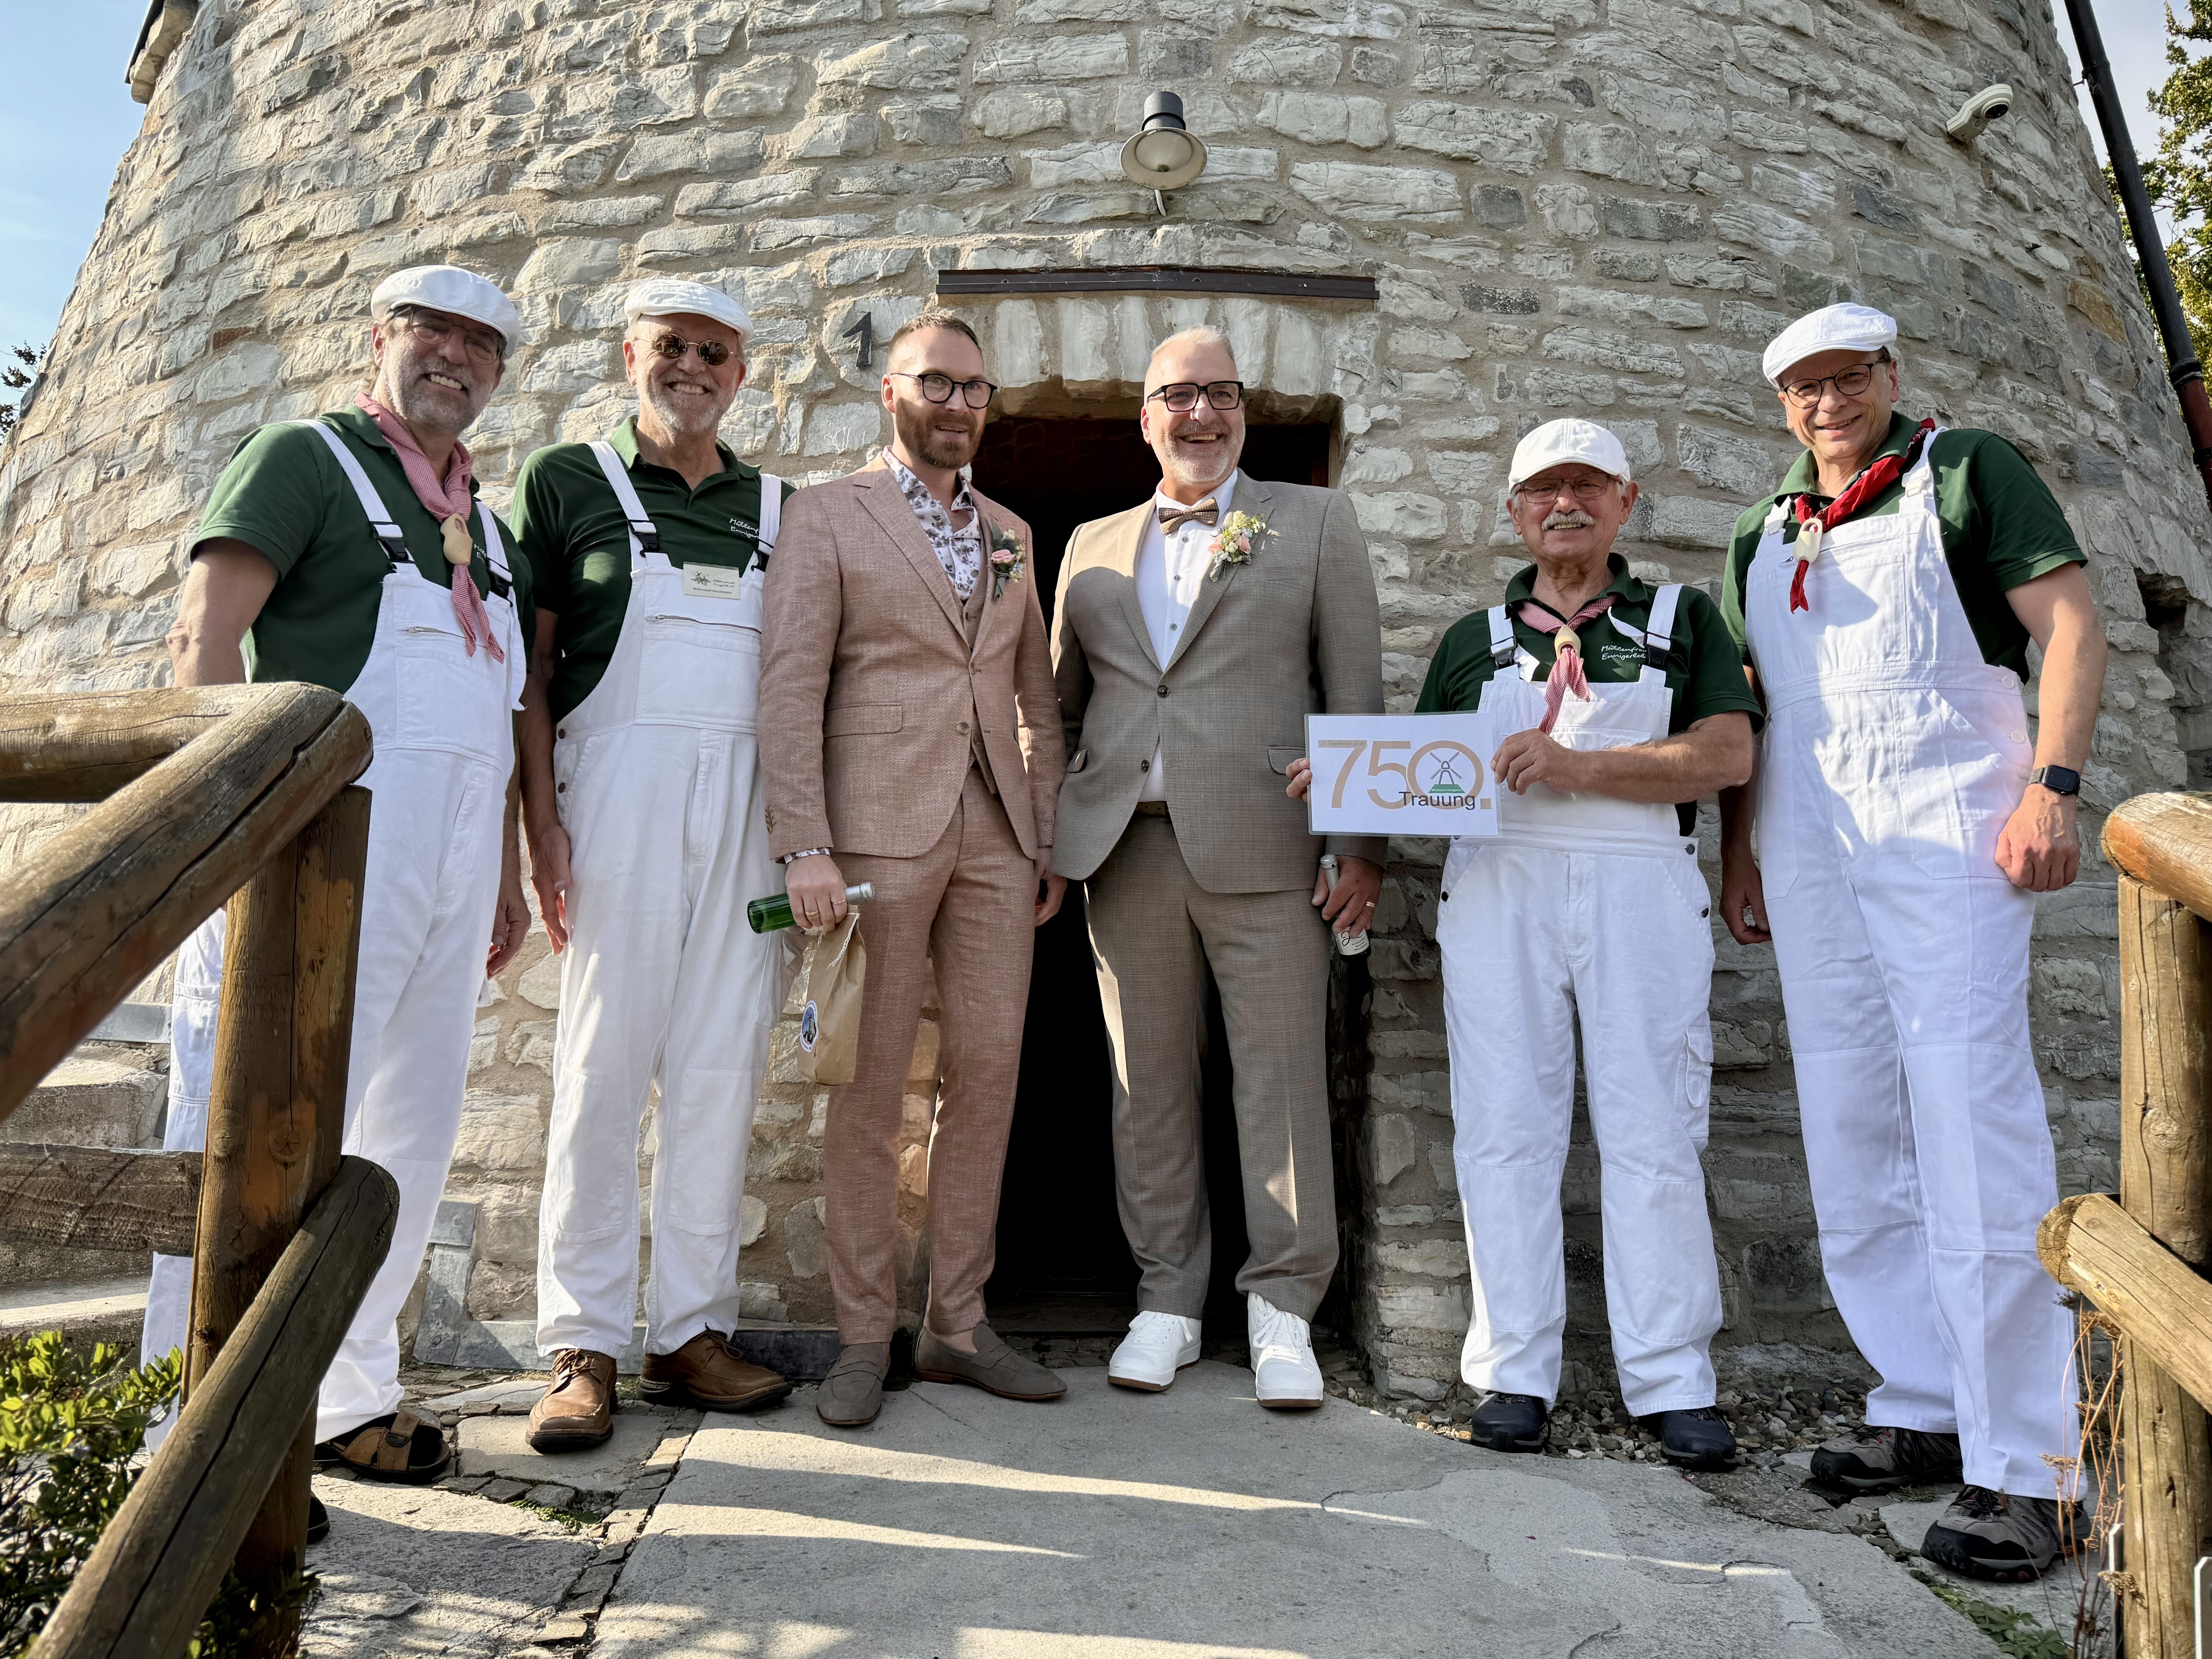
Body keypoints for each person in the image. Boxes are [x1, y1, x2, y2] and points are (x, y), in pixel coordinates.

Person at [1717, 303, 2107, 1580]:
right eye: (1805, 386)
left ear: (1890, 374)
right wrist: (1744, 855)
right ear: (1782, 403)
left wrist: (2054, 782)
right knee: (1851, 1122)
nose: (1828, 403)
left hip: (1949, 820)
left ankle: (2033, 1464)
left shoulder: (1968, 468)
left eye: (1849, 377)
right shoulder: (1763, 531)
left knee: (1972, 1113)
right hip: (1813, 840)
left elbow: (2068, 625)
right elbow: (1759, 714)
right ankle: (1925, 1395)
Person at [1293, 418, 1758, 1463]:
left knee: (1653, 1129)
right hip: (1499, 888)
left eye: (1588, 486)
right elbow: (1434, 778)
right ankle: (1514, 1370)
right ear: (1513, 511)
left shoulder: (1683, 619)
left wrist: (1581, 766)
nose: (1565, 504)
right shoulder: (1472, 642)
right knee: (1505, 1129)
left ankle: (1674, 1377)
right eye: (1543, 489)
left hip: (1642, 883)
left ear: (1625, 503)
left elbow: (1727, 754)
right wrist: (1348, 783)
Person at [148, 266, 534, 1517]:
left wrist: (509, 873)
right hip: (306, 859)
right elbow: (207, 643)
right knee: (245, 1132)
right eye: (435, 332)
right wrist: (211, 831)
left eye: (483, 344)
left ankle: (347, 1397)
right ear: (382, 339)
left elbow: (495, 709)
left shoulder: (489, 525)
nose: (457, 359)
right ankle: (177, 1433)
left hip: (448, 873)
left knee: (400, 1141)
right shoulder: (304, 461)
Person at [1050, 325, 1383, 1410]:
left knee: (1280, 1080)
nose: (1203, 415)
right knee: (1146, 1084)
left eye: (1223, 394)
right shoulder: (1088, 545)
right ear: (1144, 417)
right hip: (1125, 849)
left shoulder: (1316, 520)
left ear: (1245, 409)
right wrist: (1046, 843)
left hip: (1269, 844)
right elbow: (1057, 709)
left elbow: (1357, 690)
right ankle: (1168, 1301)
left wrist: (1358, 842)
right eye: (1180, 396)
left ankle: (1283, 1306)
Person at [758, 309, 1068, 1428]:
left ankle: (957, 1323)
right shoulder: (827, 516)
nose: (959, 404)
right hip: (873, 834)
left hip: (996, 835)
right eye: (936, 383)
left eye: (975, 388)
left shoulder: (1014, 530)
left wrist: (1042, 835)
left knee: (987, 1071)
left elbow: (1036, 694)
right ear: (889, 393)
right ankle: (858, 1336)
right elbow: (792, 687)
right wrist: (806, 843)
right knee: (871, 1084)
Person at [510, 279, 796, 1451]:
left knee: (722, 1069)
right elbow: (531, 669)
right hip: (614, 797)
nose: (691, 367)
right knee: (602, 1069)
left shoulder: (780, 504)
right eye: (670, 347)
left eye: (715, 354)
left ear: (742, 375)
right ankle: (583, 1343)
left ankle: (690, 1330)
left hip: (750, 810)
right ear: (632, 354)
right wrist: (543, 825)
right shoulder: (568, 483)